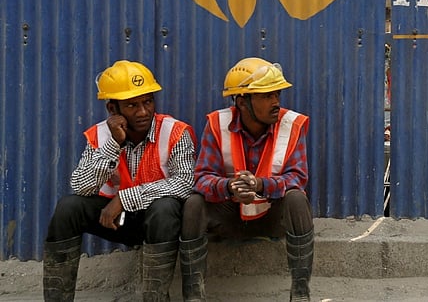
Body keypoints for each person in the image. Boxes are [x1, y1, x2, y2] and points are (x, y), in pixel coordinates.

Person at [43, 60, 195, 302]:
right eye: (132, 105)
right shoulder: (101, 135)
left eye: (147, 102)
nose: (143, 112)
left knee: (166, 207)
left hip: (157, 222)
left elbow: (186, 182)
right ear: (113, 109)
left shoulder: (175, 131)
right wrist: (114, 144)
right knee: (68, 207)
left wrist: (124, 199)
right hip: (114, 221)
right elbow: (81, 186)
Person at [180, 57, 314, 302]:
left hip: (272, 216)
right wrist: (229, 187)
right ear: (242, 102)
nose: (276, 102)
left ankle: (301, 293)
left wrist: (261, 184)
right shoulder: (218, 124)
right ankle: (193, 295)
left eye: (277, 95)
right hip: (230, 216)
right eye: (266, 96)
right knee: (193, 204)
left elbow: (297, 178)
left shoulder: (291, 125)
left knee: (297, 199)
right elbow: (201, 178)